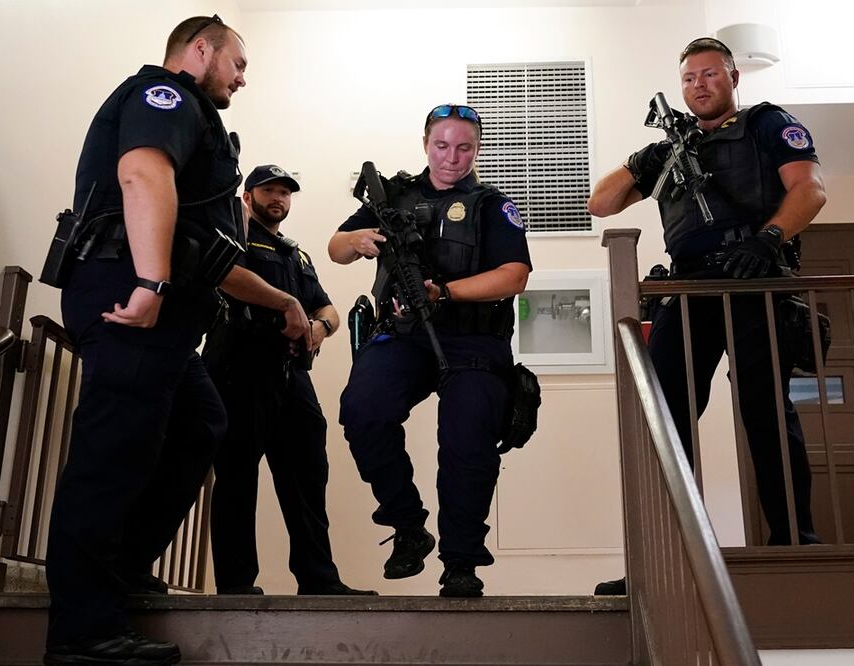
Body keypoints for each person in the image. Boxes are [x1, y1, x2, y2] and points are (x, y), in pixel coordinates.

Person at [44, 16, 311, 665]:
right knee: (111, 454)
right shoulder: (165, 97)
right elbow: (140, 174)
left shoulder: (202, 129)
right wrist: (152, 283)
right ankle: (82, 630)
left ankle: (125, 567)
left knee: (199, 423)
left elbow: (209, 256)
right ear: (199, 51)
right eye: (237, 64)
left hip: (161, 310)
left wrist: (284, 301)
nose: (242, 79)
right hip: (131, 299)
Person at [587, 37, 827, 595]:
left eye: (710, 74)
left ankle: (796, 542)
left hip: (756, 275)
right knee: (665, 420)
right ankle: (665, 552)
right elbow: (600, 202)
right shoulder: (673, 149)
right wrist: (647, 159)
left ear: (733, 78)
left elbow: (810, 190)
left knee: (765, 407)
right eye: (690, 77)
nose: (699, 84)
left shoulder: (768, 124)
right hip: (689, 287)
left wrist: (769, 240)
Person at [328, 104, 532, 597]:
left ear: (476, 149)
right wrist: (357, 240)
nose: (452, 158)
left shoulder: (491, 204)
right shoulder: (394, 195)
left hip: (473, 340)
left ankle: (460, 561)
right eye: (442, 146)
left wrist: (446, 291)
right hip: (405, 334)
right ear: (426, 144)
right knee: (362, 410)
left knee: (467, 443)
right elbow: (335, 247)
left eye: (464, 147)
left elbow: (515, 275)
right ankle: (407, 526)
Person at [203, 164, 376, 597]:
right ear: (248, 196)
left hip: (292, 376)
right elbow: (226, 280)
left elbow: (329, 311)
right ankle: (237, 585)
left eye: (285, 192)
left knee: (307, 477)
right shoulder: (234, 238)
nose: (278, 198)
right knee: (237, 478)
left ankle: (319, 580)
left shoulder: (297, 254)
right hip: (240, 369)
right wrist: (286, 306)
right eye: (269, 190)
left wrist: (320, 329)